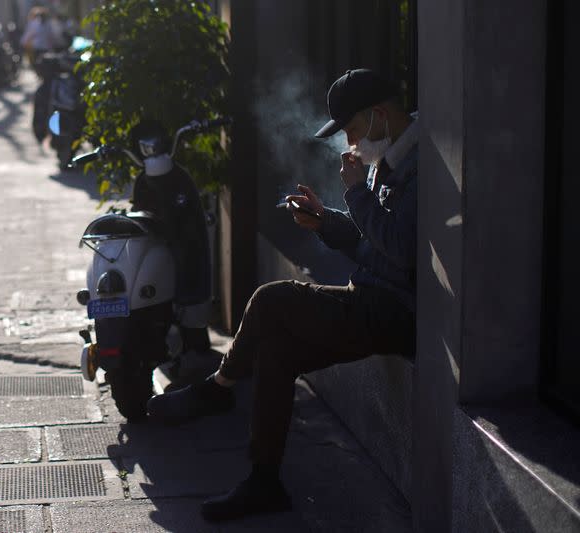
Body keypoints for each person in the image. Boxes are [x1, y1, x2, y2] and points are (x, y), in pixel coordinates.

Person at [146, 68, 419, 522]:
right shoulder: (387, 156)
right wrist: (325, 220)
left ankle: (219, 388)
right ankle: (263, 481)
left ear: (379, 115)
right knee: (277, 350)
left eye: (352, 130)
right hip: (369, 299)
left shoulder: (422, 161)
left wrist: (355, 195)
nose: (351, 144)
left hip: (395, 311)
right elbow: (375, 243)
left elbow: (403, 251)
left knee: (272, 299)